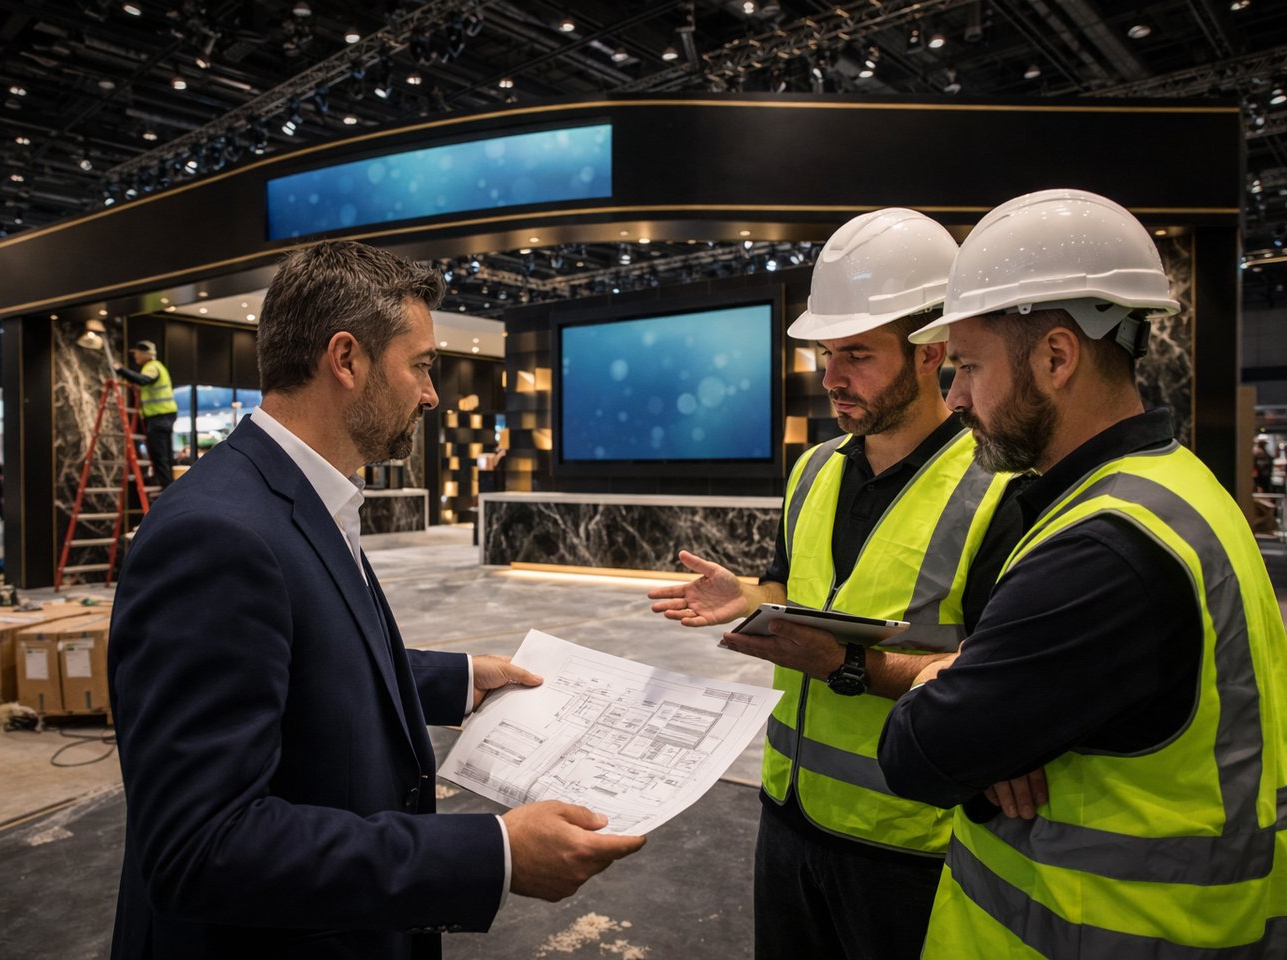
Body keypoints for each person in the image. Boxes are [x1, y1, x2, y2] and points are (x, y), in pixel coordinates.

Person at [108, 240, 645, 960]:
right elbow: (202, 846)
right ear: (346, 359)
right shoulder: (215, 535)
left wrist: (456, 679)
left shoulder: (295, 496)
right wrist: (493, 854)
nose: (431, 393)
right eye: (420, 365)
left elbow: (303, 653)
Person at [878, 188, 1287, 956]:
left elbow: (916, 756)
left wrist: (939, 676)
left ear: (1056, 357)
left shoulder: (1102, 552)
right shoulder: (1176, 486)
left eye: (969, 366)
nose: (955, 396)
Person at [648, 209, 1022, 959]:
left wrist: (847, 665)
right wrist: (749, 598)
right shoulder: (814, 469)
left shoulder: (1000, 489)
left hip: (909, 839)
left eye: (857, 354)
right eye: (826, 354)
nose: (832, 378)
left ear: (931, 352)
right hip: (787, 812)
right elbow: (789, 589)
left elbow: (1001, 678)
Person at [115, 339, 177, 491]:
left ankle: (166, 489)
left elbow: (144, 380)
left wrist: (121, 370)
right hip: (161, 416)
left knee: (159, 455)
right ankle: (167, 486)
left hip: (160, 416)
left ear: (145, 353)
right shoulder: (156, 367)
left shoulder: (152, 366)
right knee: (163, 454)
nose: (135, 356)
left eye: (137, 353)